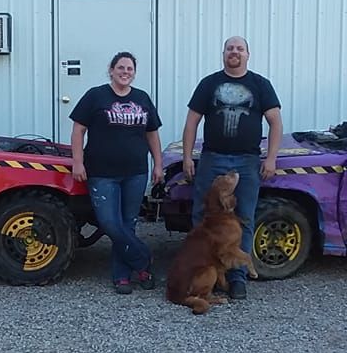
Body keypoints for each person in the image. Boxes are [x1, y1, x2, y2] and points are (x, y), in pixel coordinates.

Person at [181, 36, 283, 300]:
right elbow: (192, 121)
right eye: (230, 48)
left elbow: (276, 123)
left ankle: (237, 277)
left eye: (239, 49)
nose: (234, 52)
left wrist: (271, 158)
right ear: (223, 53)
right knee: (203, 218)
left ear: (248, 54)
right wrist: (188, 157)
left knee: (244, 220)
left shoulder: (261, 85)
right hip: (212, 159)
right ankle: (205, 270)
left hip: (247, 161)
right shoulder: (209, 83)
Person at [70, 52, 165, 294]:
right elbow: (78, 130)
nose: (125, 72)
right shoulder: (96, 96)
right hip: (101, 173)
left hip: (135, 172)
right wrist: (77, 162)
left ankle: (123, 275)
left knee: (128, 224)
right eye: (120, 67)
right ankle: (143, 259)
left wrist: (158, 164)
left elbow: (152, 133)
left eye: (130, 68)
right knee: (110, 223)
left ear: (134, 72)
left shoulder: (142, 98)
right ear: (111, 70)